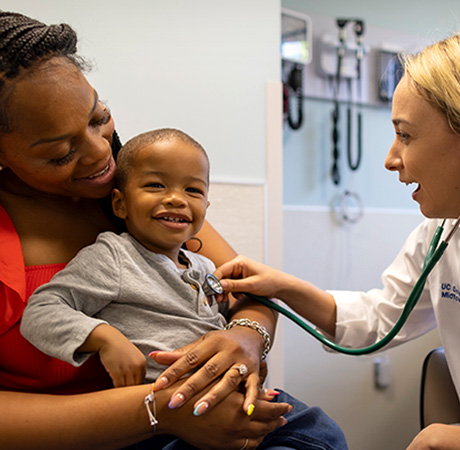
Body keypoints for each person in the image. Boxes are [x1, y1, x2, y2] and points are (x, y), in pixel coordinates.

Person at [0, 11, 294, 450]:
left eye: (97, 116)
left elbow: (247, 290)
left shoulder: (135, 191)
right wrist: (159, 409)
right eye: (60, 152)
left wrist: (246, 339)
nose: (101, 152)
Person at [212, 31, 460, 450]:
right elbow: (381, 319)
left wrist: (446, 439)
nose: (390, 159)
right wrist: (283, 287)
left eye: (406, 135)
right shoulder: (442, 238)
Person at [19, 127, 347, 449]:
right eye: (156, 185)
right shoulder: (113, 257)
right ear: (120, 204)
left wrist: (249, 351)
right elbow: (41, 309)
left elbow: (241, 319)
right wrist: (105, 338)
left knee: (323, 434)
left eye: (193, 190)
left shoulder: (205, 268)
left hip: (234, 398)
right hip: (170, 417)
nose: (176, 199)